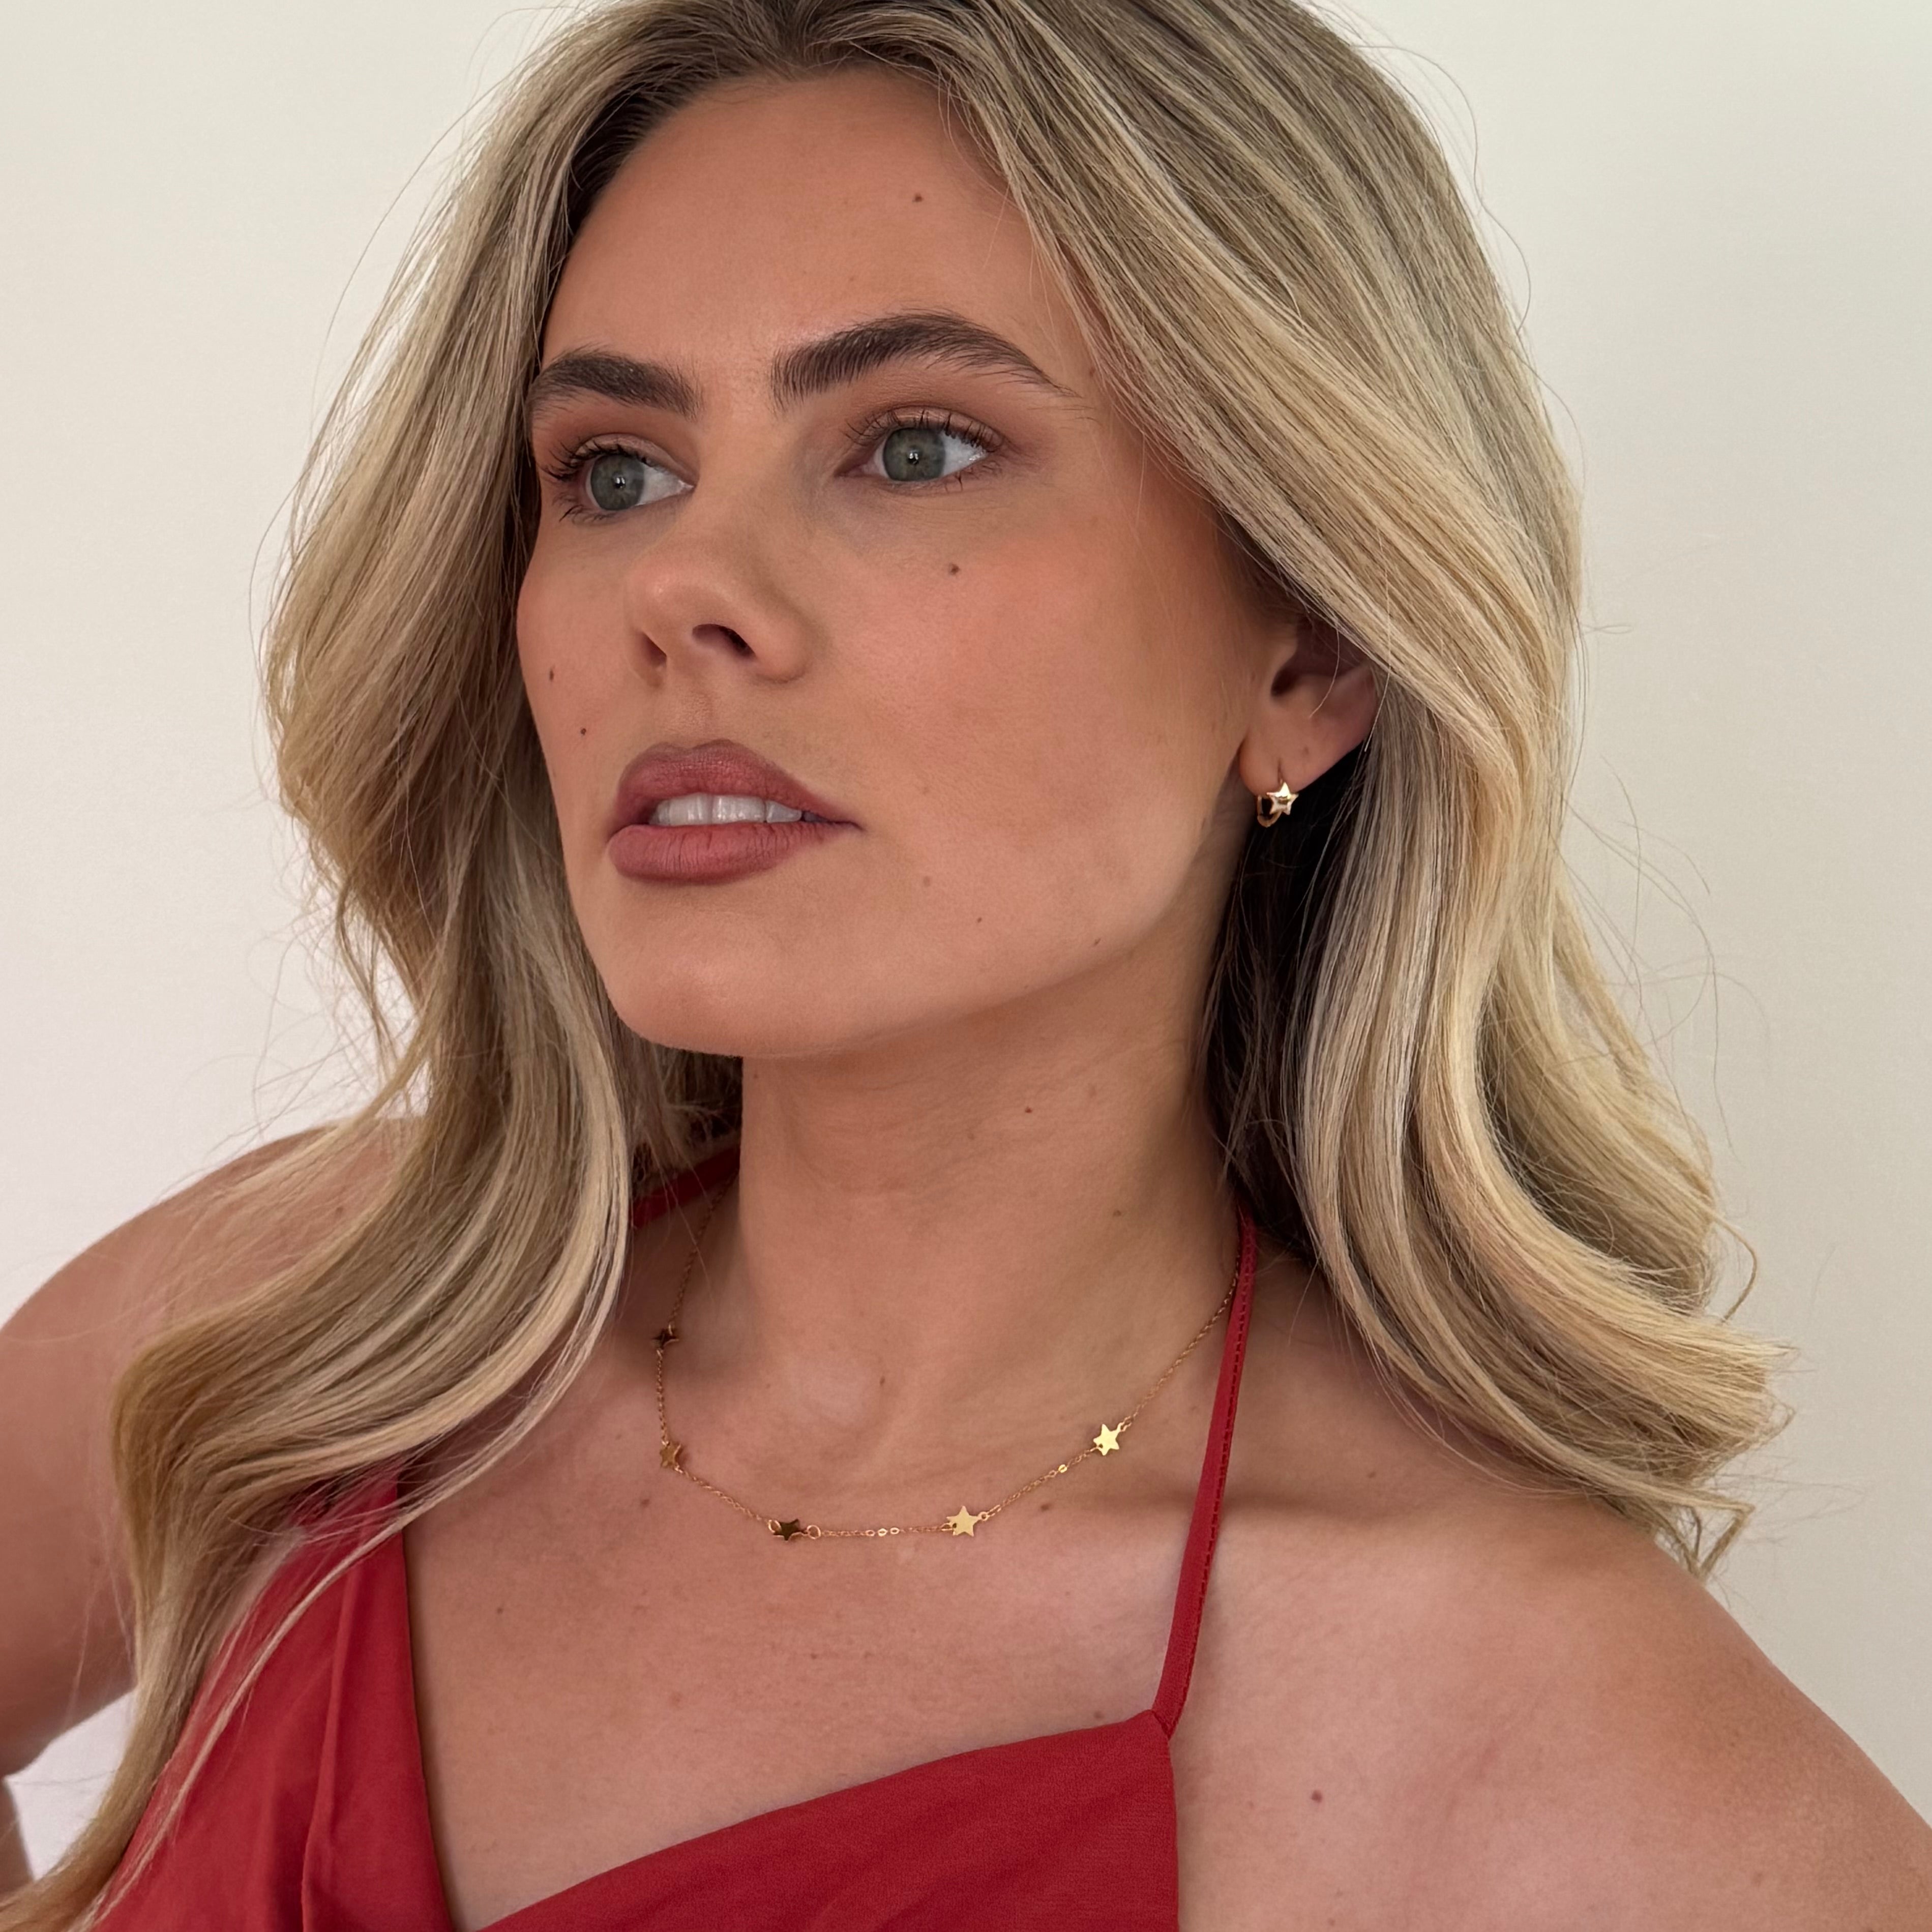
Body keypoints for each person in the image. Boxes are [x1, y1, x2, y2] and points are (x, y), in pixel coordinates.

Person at [3, 1, 1929, 1925]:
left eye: (915, 446)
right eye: (612, 470)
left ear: (1313, 652)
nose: (680, 587)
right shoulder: (311, 1330)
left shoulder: (1556, 1745)